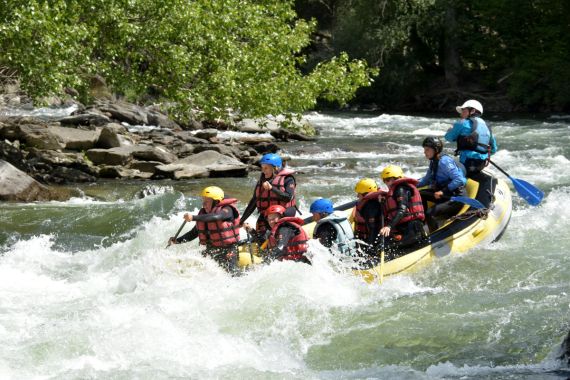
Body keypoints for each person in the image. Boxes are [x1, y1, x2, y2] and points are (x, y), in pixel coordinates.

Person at [169, 186, 241, 274]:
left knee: (232, 273)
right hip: (211, 250)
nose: (204, 204)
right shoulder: (205, 215)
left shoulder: (227, 210)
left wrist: (193, 217)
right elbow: (193, 233)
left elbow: (217, 217)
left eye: (207, 201)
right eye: (203, 201)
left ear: (216, 202)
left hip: (228, 250)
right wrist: (176, 241)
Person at [241, 153, 297, 241]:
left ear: (276, 168)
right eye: (262, 168)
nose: (263, 171)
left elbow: (288, 197)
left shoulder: (288, 179)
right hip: (268, 213)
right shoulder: (261, 182)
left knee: (275, 229)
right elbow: (254, 202)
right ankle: (253, 233)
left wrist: (272, 188)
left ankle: (282, 238)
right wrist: (241, 220)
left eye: (266, 168)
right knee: (261, 235)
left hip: (283, 212)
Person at [418, 137, 468, 232]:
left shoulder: (444, 161)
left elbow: (460, 180)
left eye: (427, 150)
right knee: (420, 194)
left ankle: (434, 235)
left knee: (430, 213)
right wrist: (410, 184)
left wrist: (443, 191)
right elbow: (426, 180)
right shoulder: (433, 161)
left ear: (436, 150)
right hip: (445, 195)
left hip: (456, 198)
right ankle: (423, 223)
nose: (425, 152)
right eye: (424, 150)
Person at [379, 165, 427, 257]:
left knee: (388, 248)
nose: (387, 182)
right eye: (385, 180)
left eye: (389, 179)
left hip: (413, 229)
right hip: (407, 229)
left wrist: (389, 226)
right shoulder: (398, 189)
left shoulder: (401, 189)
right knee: (386, 244)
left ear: (397, 178)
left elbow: (402, 210)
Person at [445, 99, 498, 178]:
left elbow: (448, 137)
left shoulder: (462, 123)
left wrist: (449, 130)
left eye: (464, 110)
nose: (461, 114)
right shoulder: (487, 126)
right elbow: (493, 150)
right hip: (481, 164)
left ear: (472, 111)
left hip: (466, 162)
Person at [352, 178, 385, 256]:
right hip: (369, 239)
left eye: (359, 194)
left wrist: (369, 248)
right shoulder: (373, 203)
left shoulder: (370, 207)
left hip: (371, 241)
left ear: (364, 194)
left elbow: (373, 230)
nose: (357, 196)